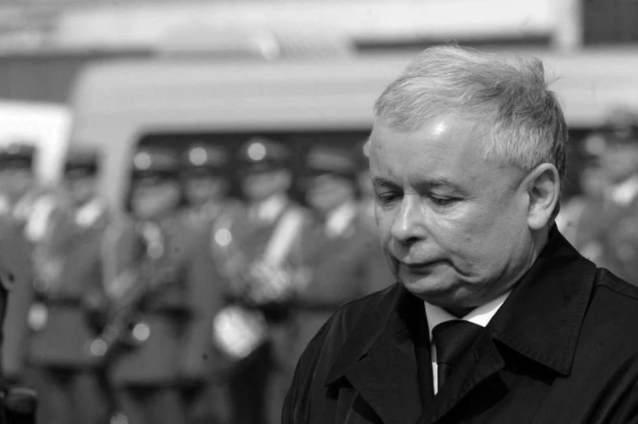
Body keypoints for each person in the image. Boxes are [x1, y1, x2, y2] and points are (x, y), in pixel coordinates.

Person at [283, 45, 638, 424]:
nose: (403, 228)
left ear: (538, 196)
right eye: (388, 196)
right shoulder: (342, 340)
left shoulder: (624, 352)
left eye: (441, 199)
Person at [269, 145, 393, 422]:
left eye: (324, 185)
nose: (315, 191)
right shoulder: (300, 228)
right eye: (313, 185)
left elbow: (379, 305)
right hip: (292, 346)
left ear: (346, 186)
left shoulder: (367, 234)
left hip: (339, 348)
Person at [102, 146, 208, 424]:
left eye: (152, 188)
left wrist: (195, 361)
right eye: (139, 188)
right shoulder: (123, 235)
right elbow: (111, 289)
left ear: (172, 191)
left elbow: (204, 306)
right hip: (125, 357)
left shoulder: (190, 237)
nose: (142, 194)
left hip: (169, 358)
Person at [210, 137, 306, 424]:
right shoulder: (232, 219)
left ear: (283, 177)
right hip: (239, 334)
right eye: (250, 174)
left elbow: (305, 272)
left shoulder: (297, 219)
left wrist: (283, 285)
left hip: (282, 333)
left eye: (265, 174)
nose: (255, 181)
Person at [27, 149, 112, 424]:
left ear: (95, 180)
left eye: (83, 178)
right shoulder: (56, 220)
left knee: (87, 413)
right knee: (50, 414)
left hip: (85, 330)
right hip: (50, 333)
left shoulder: (112, 225)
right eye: (71, 179)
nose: (76, 185)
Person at [179, 143, 235, 424]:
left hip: (224, 329)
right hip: (183, 331)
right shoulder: (178, 221)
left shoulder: (234, 218)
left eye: (207, 177)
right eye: (193, 178)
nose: (199, 185)